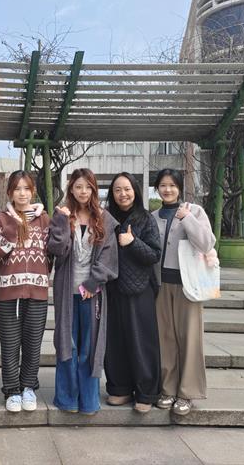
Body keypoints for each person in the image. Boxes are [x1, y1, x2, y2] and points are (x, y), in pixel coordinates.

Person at [48, 168, 118, 415]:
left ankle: (88, 401)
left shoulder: (104, 219)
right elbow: (56, 250)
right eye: (78, 186)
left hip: (92, 293)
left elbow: (109, 258)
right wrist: (61, 222)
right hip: (66, 292)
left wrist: (91, 284)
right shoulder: (62, 215)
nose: (83, 191)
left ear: (94, 189)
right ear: (71, 189)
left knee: (89, 347)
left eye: (88, 187)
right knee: (67, 344)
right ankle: (67, 399)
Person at [152, 168, 216, 416]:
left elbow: (207, 243)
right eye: (163, 185)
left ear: (180, 188)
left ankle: (187, 392)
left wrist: (187, 218)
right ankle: (168, 389)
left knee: (189, 338)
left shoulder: (194, 211)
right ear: (157, 188)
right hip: (160, 285)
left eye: (172, 185)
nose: (167, 189)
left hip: (188, 286)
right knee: (165, 339)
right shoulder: (153, 216)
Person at [0, 170, 51, 413]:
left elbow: (51, 251)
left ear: (32, 191)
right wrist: (15, 224)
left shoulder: (43, 219)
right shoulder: (2, 218)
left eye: (26, 188)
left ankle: (28, 387)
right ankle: (12, 390)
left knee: (33, 342)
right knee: (10, 343)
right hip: (9, 291)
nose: (22, 193)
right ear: (10, 192)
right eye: (17, 189)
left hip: (37, 290)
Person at [104, 172, 161, 413]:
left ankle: (146, 392)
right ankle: (120, 388)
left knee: (141, 341)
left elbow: (155, 254)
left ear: (135, 191)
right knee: (115, 341)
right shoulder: (106, 218)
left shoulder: (145, 219)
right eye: (117, 190)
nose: (123, 194)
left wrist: (132, 242)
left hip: (139, 290)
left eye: (127, 189)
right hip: (112, 288)